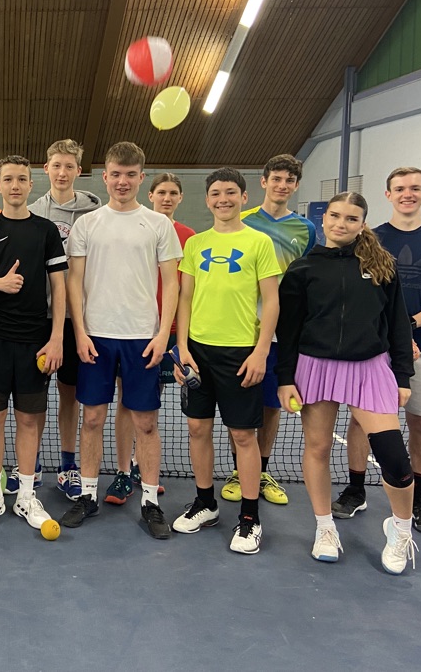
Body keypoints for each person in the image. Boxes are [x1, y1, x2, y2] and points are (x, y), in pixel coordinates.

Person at [276, 192, 418, 573]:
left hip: (369, 368)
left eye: (351, 219)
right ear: (324, 220)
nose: (341, 223)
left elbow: (398, 324)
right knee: (318, 447)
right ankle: (325, 528)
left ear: (362, 224)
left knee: (394, 458)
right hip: (315, 367)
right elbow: (288, 331)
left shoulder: (382, 267)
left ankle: (401, 530)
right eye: (335, 216)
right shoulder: (303, 269)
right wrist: (285, 378)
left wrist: (402, 374)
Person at [336, 167, 421, 535]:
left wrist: (406, 327)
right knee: (360, 421)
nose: (407, 194)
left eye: (414, 188)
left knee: (420, 423)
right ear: (388, 194)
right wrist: (387, 335)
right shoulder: (367, 239)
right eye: (399, 188)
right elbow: (356, 295)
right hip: (372, 352)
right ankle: (355, 489)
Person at [60, 142, 180, 537]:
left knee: (145, 422)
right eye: (115, 173)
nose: (123, 181)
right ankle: (88, 495)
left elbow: (171, 282)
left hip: (142, 339)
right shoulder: (87, 224)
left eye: (131, 174)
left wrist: (163, 333)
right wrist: (79, 331)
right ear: (106, 176)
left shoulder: (159, 225)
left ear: (141, 178)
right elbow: (74, 281)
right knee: (92, 418)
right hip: (95, 337)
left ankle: (150, 501)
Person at [172, 168, 280, 554]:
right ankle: (205, 503)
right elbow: (184, 299)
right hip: (197, 353)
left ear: (244, 197)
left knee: (243, 436)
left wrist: (261, 351)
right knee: (198, 431)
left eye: (230, 192)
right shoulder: (196, 244)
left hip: (241, 353)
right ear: (207, 200)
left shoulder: (259, 243)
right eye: (216, 193)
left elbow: (272, 301)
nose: (223, 199)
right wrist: (181, 348)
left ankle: (249, 519)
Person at [0, 156, 65, 529]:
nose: (15, 185)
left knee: (29, 420)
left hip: (34, 341)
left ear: (30, 185)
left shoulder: (47, 230)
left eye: (22, 179)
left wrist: (56, 339)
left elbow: (59, 286)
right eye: (8, 179)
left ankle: (26, 497)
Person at [220, 154, 316, 507]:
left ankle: (260, 470)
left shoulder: (306, 229)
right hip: (241, 329)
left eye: (289, 181)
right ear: (263, 182)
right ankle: (236, 471)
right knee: (241, 404)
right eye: (276, 179)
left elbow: (306, 277)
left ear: (295, 186)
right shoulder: (241, 220)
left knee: (272, 405)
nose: (282, 185)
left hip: (282, 332)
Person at [106, 172, 194, 505]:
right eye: (162, 192)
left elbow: (186, 291)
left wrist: (177, 335)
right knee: (126, 400)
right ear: (152, 195)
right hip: (135, 332)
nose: (167, 198)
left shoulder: (189, 237)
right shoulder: (136, 229)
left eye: (174, 192)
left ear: (180, 198)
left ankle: (145, 468)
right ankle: (123, 471)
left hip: (173, 333)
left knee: (149, 405)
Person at [28, 139, 101, 501]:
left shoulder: (94, 214)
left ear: (78, 170)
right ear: (47, 168)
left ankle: (69, 464)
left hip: (79, 320)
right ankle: (33, 463)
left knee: (69, 395)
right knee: (34, 396)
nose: (62, 172)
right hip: (39, 317)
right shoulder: (31, 211)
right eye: (56, 165)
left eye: (69, 166)